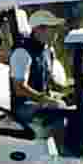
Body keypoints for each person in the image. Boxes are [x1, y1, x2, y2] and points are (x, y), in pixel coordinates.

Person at [9, 9, 71, 144]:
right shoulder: (22, 52)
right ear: (38, 30)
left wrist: (70, 90)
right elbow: (19, 88)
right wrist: (45, 99)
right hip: (23, 107)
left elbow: (50, 81)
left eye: (56, 29)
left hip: (39, 101)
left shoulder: (47, 50)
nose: (56, 33)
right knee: (59, 109)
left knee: (78, 100)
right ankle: (61, 152)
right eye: (52, 29)